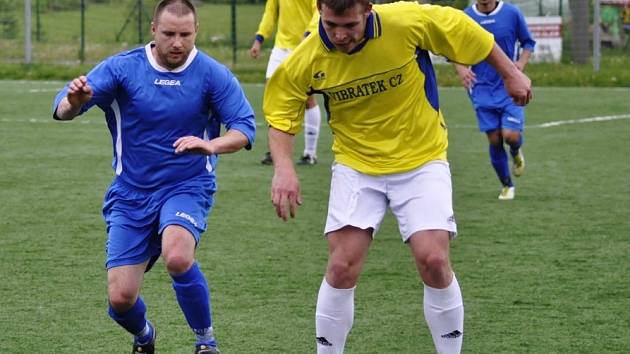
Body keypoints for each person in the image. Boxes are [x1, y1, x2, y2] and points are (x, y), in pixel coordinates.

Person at [264, 1, 532, 353]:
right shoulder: (309, 54)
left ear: (368, 9)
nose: (340, 35)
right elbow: (282, 110)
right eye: (331, 24)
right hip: (356, 165)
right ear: (319, 10)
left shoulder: (407, 21)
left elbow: (465, 31)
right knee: (343, 264)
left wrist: (511, 71)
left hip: (421, 158)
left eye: (350, 25)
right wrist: (284, 167)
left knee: (433, 259)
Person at [51, 1, 256, 353]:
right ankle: (145, 335)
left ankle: (206, 342)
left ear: (196, 32)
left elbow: (245, 128)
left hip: (187, 185)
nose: (177, 42)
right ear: (153, 30)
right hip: (131, 193)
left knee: (178, 256)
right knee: (120, 299)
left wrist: (212, 146)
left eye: (185, 35)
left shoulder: (211, 73)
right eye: (169, 34)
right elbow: (64, 110)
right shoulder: (123, 68)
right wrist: (74, 100)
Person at [454, 0, 536, 200]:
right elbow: (454, 47)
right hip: (481, 87)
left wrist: (520, 65)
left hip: (509, 85)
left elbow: (528, 42)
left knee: (511, 136)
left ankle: (516, 152)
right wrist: (462, 68)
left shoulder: (511, 13)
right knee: (494, 139)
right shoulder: (465, 16)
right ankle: (507, 185)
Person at [250, 0, 322, 165]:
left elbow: (318, 12)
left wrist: (308, 35)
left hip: (305, 46)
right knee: (272, 93)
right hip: (281, 48)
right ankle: (275, 151)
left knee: (307, 98)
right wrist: (259, 39)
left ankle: (310, 154)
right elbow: (270, 14)